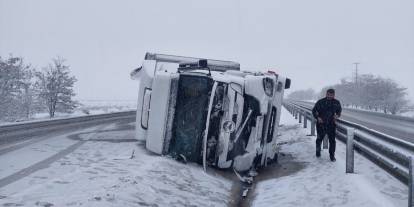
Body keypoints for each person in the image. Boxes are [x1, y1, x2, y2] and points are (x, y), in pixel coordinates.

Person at [312, 88, 342, 161]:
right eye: (328, 94)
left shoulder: (336, 102)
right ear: (326, 94)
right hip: (321, 124)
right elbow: (314, 110)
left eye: (331, 95)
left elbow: (339, 111)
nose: (329, 96)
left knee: (332, 141)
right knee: (319, 139)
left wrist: (337, 116)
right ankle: (318, 152)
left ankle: (332, 156)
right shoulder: (321, 102)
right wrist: (317, 117)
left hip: (331, 124)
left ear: (334, 95)